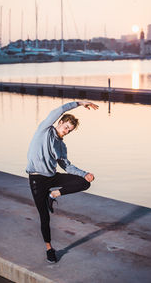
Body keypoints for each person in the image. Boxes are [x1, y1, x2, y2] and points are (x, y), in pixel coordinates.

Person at [26, 100, 99, 263]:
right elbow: (58, 109)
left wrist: (85, 173)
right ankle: (49, 248)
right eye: (66, 127)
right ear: (60, 122)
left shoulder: (61, 146)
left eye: (70, 130)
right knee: (44, 216)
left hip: (52, 176)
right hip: (37, 178)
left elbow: (66, 165)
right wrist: (80, 103)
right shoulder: (44, 130)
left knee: (84, 183)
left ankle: (54, 195)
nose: (66, 131)